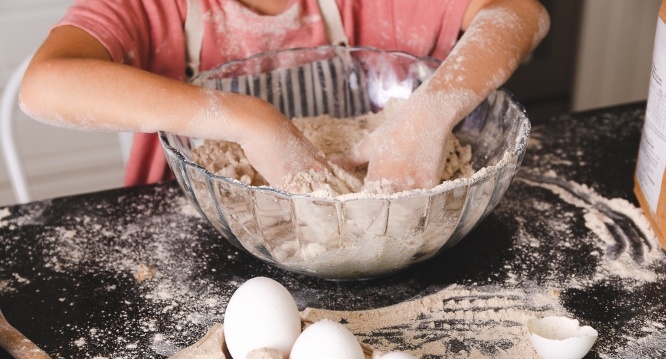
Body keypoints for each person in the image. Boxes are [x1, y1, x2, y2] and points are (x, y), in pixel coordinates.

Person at [19, 0, 550, 193]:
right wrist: (251, 121)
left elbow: (519, 13)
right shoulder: (150, 7)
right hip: (190, 228)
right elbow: (44, 85)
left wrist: (429, 113)